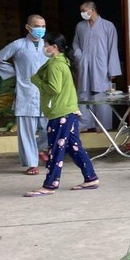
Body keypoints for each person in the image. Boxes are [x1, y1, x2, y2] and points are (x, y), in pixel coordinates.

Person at [25, 32, 99, 197]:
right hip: (67, 111)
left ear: (54, 47)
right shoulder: (61, 62)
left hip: (61, 113)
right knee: (74, 148)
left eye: (46, 45)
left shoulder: (55, 65)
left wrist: (36, 80)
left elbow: (54, 89)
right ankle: (91, 178)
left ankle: (50, 185)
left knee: (55, 151)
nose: (44, 48)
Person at [0, 14, 49, 174]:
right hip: (26, 91)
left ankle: (39, 149)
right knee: (27, 130)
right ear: (28, 27)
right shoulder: (18, 45)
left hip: (46, 92)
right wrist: (14, 73)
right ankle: (32, 163)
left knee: (49, 127)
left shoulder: (48, 45)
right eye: (37, 26)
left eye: (43, 26)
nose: (41, 29)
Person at [73, 1, 121, 131]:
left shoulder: (108, 26)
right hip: (84, 65)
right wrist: (79, 56)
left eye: (84, 10)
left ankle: (102, 125)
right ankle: (84, 124)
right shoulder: (80, 26)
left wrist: (113, 69)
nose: (82, 13)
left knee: (101, 94)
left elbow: (113, 48)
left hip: (101, 65)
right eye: (81, 11)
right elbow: (75, 44)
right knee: (84, 93)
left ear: (92, 10)